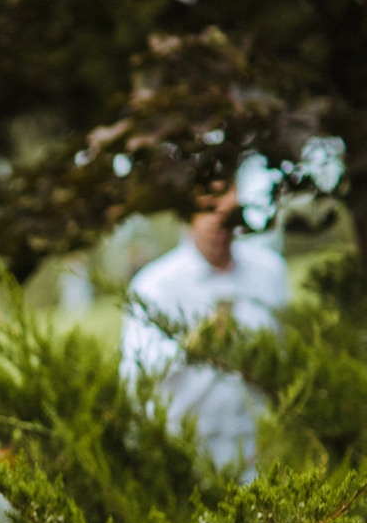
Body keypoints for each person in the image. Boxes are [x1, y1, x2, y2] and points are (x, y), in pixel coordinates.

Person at [120, 185, 288, 472]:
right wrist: (189, 347)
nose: (219, 222)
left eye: (228, 212)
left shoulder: (269, 271)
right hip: (187, 455)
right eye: (209, 209)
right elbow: (134, 374)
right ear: (188, 215)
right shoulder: (154, 285)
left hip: (259, 452)